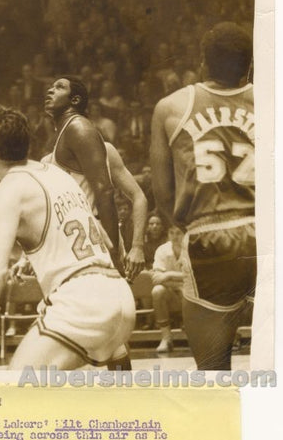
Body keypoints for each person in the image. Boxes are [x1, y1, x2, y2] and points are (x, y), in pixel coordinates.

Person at [0, 105, 135, 370]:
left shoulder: (7, 190)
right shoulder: (58, 174)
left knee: (19, 383)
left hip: (83, 302)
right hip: (119, 297)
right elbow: (103, 237)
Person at [151, 22, 255, 370]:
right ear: (248, 68)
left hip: (209, 237)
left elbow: (163, 192)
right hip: (269, 233)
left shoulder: (171, 107)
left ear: (202, 64)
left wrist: (184, 228)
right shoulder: (272, 100)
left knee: (213, 373)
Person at [43, 75, 148, 370]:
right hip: (75, 246)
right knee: (106, 336)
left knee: (91, 330)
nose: (50, 89)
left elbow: (132, 196)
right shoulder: (53, 152)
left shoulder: (90, 138)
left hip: (96, 244)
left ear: (75, 100)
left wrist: (134, 247)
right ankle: (122, 389)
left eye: (59, 86)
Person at [151, 226, 190, 354]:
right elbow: (157, 278)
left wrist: (168, 275)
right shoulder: (162, 250)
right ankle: (166, 338)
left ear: (185, 234)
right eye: (171, 232)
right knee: (157, 291)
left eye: (178, 233)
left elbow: (195, 277)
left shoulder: (192, 248)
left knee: (189, 291)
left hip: (193, 294)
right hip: (173, 294)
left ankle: (196, 334)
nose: (174, 236)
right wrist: (180, 280)